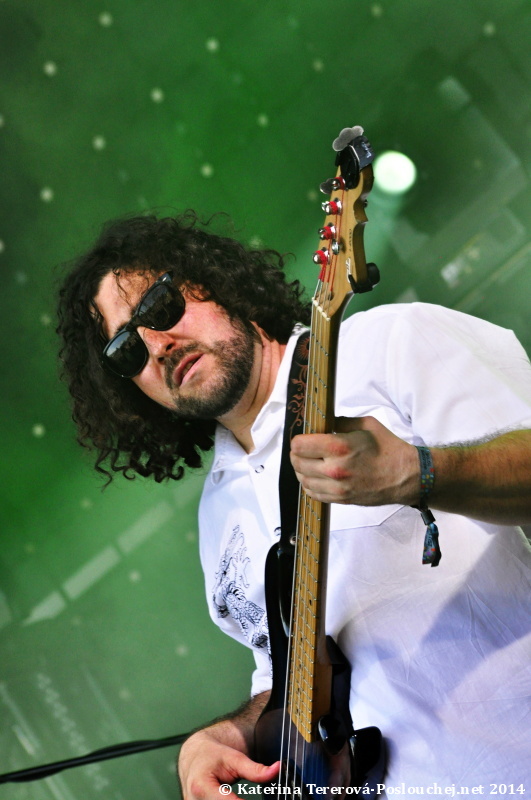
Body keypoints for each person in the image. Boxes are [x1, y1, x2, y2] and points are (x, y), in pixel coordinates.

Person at [57, 211, 531, 798]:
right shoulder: (217, 518)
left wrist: (418, 472)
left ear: (209, 281)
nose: (157, 345)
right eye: (126, 349)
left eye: (158, 306)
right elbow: (288, 676)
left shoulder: (387, 346)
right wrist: (224, 735)